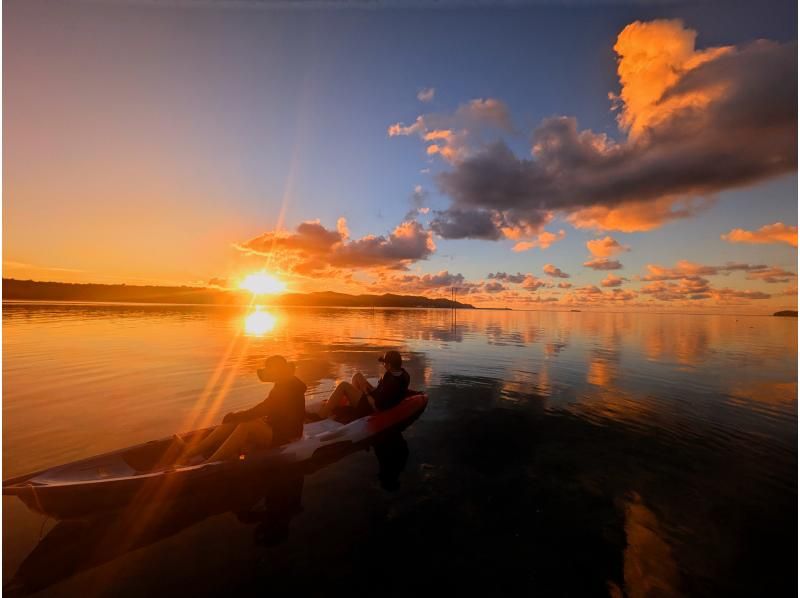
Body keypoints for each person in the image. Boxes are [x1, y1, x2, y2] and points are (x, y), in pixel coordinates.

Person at [176, 355, 306, 464]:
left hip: (287, 436)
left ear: (277, 371)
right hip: (275, 427)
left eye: (268, 368)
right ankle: (192, 451)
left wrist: (237, 417)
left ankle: (209, 463)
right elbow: (270, 409)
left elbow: (262, 409)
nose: (264, 371)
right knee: (236, 420)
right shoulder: (284, 383)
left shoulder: (288, 388)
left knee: (245, 425)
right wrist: (236, 417)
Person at [319, 350, 410, 419]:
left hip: (370, 407)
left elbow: (376, 406)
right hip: (375, 397)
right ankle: (353, 403)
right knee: (357, 376)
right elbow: (381, 391)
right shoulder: (401, 374)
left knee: (343, 385)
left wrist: (366, 392)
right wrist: (369, 388)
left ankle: (322, 415)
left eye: (384, 363)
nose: (383, 365)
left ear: (389, 365)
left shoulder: (392, 385)